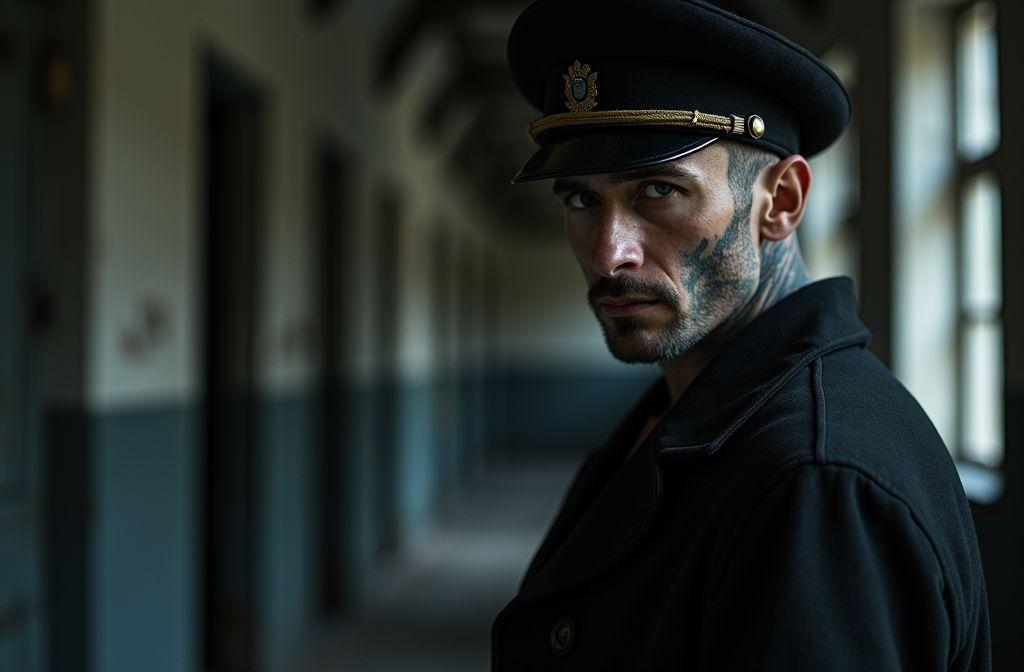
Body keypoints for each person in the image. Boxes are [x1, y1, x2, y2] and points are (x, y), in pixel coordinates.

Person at [490, 1, 992, 670]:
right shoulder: (704, 409)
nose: (609, 254)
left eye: (659, 191)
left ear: (780, 202)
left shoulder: (815, 483)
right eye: (582, 199)